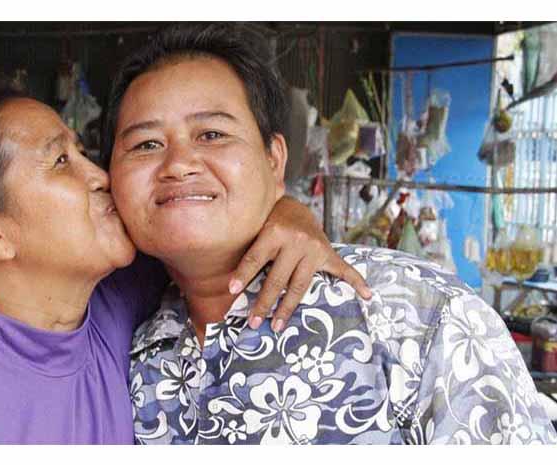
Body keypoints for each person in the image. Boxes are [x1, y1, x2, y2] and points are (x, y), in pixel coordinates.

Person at [105, 23, 557, 445]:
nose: (179, 164)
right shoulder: (121, 347)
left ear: (275, 160)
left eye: (212, 134)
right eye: (146, 144)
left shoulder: (416, 314)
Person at [0, 87, 367, 444]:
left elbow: (212, 220)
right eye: (60, 162)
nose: (100, 176)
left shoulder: (111, 291)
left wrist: (290, 213)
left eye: (82, 152)